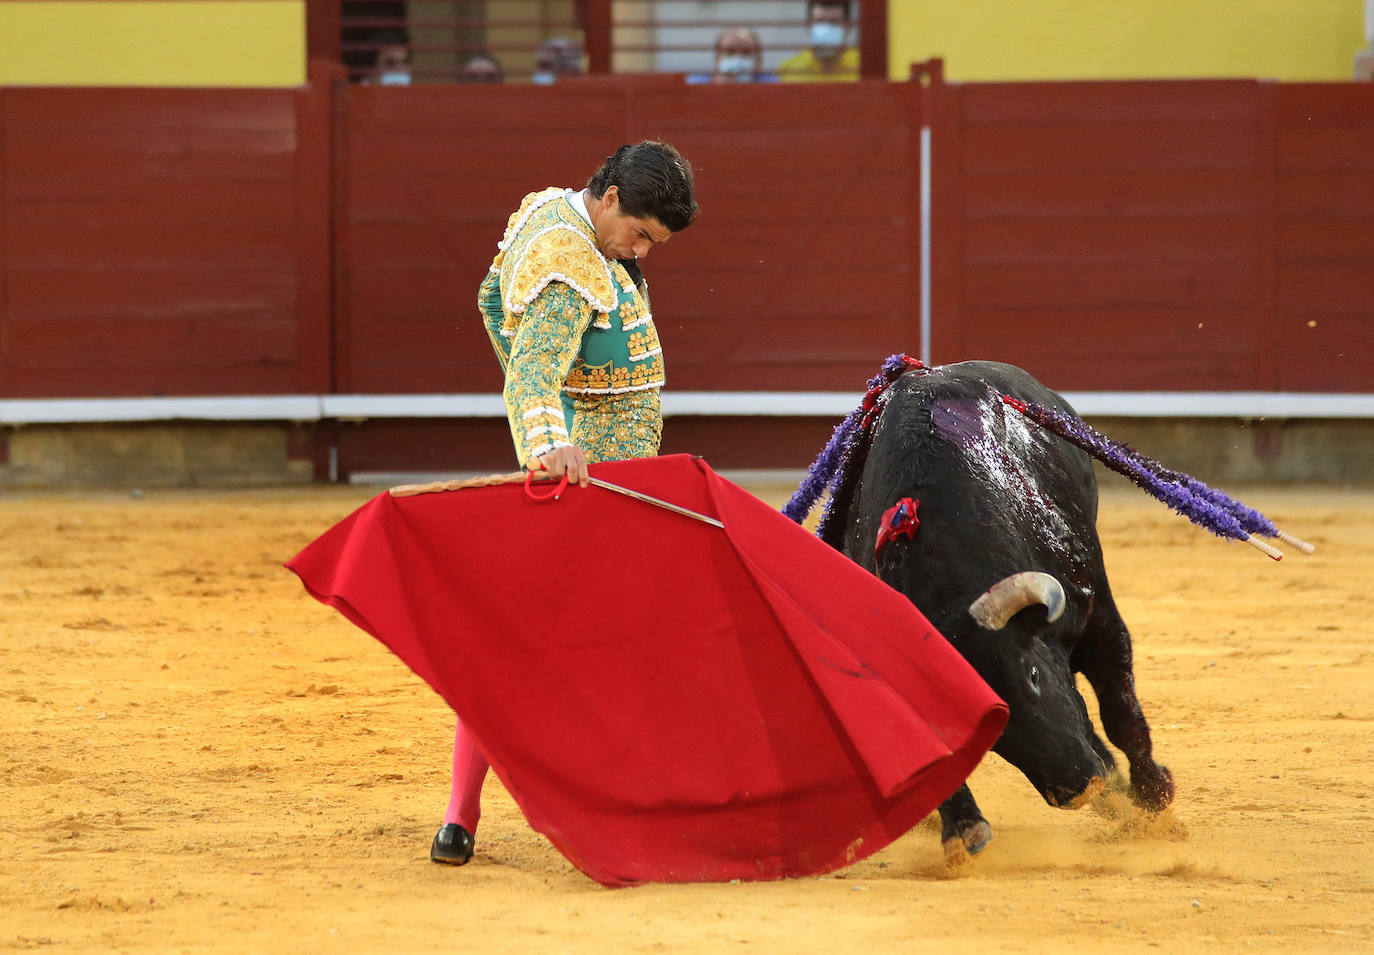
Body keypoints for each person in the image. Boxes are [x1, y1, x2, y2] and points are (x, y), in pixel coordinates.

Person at [431, 141, 700, 866]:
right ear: (609, 196)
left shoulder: (560, 213)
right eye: (641, 232)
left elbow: (489, 299)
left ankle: (461, 814)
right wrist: (553, 447)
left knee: (512, 645)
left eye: (656, 242)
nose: (643, 251)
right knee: (603, 651)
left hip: (610, 475)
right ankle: (618, 811)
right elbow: (530, 378)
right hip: (592, 485)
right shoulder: (569, 264)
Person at [777, 0, 859, 82]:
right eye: (820, 21)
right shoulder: (789, 71)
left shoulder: (863, 67)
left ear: (848, 26)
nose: (827, 29)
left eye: (834, 22)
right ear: (808, 25)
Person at [686, 27, 777, 84]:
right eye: (730, 52)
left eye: (746, 53)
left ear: (758, 60)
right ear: (718, 58)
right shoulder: (697, 84)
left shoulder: (772, 86)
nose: (738, 58)